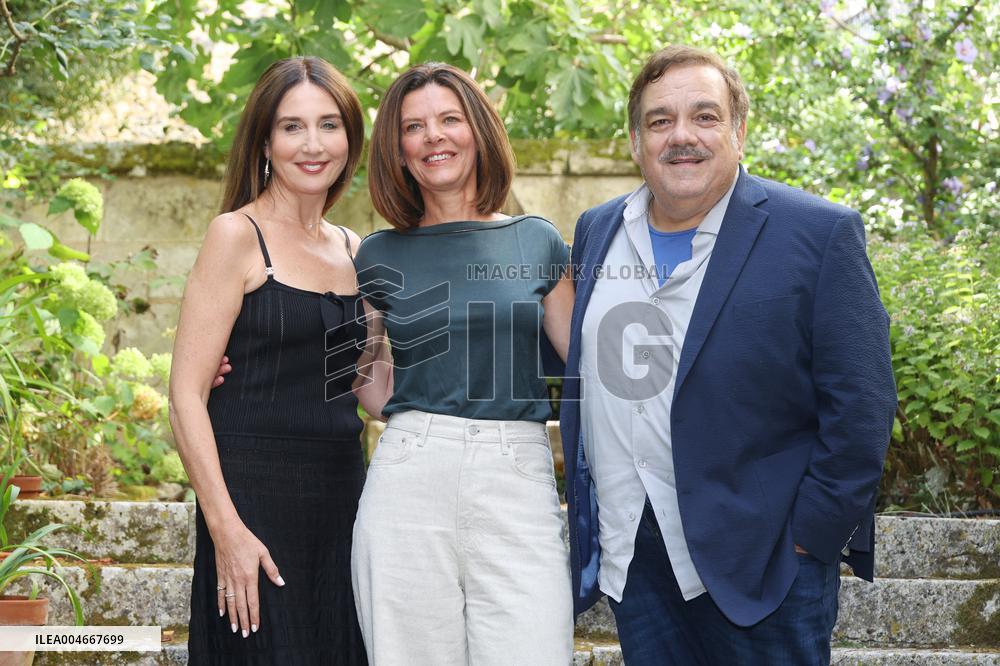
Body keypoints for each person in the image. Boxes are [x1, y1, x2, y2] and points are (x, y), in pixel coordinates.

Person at [560, 45, 897, 664]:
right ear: (636, 142)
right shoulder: (597, 229)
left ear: (739, 131)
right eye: (660, 121)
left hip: (763, 562)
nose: (681, 136)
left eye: (705, 116)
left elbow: (863, 402)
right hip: (635, 557)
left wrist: (809, 538)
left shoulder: (818, 234)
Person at [348, 62, 576, 665]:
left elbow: (587, 362)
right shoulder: (377, 254)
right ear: (398, 151)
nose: (434, 137)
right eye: (414, 127)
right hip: (410, 471)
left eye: (450, 119)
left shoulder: (537, 241)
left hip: (517, 468)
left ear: (478, 131)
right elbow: (363, 368)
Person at [169, 56, 370, 665]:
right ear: (264, 141)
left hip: (343, 503)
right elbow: (184, 396)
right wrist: (226, 529)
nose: (313, 144)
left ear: (350, 138)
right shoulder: (236, 235)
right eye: (292, 127)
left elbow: (370, 389)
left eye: (329, 125)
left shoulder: (357, 249)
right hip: (252, 501)